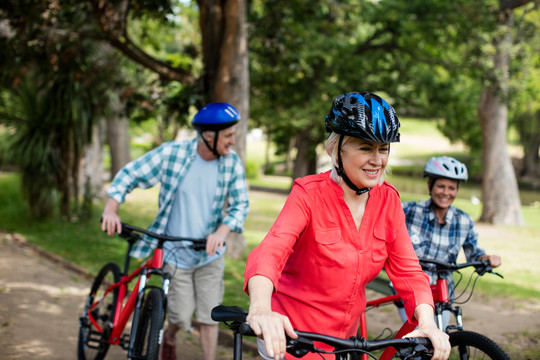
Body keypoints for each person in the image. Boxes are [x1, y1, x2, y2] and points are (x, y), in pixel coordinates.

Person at [243, 92, 450, 360]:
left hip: (348, 343)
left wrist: (427, 323)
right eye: (365, 147)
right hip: (293, 336)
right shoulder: (308, 194)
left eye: (383, 148)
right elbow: (271, 251)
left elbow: (409, 271)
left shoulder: (388, 200)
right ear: (335, 148)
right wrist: (260, 309)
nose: (377, 160)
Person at [101, 102, 250, 360]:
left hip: (209, 253)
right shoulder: (173, 154)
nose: (232, 141)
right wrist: (111, 209)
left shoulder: (231, 163)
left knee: (209, 315)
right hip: (174, 250)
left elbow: (241, 205)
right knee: (181, 314)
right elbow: (131, 174)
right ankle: (170, 335)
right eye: (228, 135)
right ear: (208, 135)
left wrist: (221, 232)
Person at [399, 156, 502, 328]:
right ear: (429, 186)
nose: (446, 193)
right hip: (410, 288)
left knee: (440, 339)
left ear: (458, 189)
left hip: (443, 291)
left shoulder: (463, 221)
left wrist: (486, 259)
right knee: (421, 342)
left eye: (452, 188)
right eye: (440, 186)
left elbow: (474, 253)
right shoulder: (409, 211)